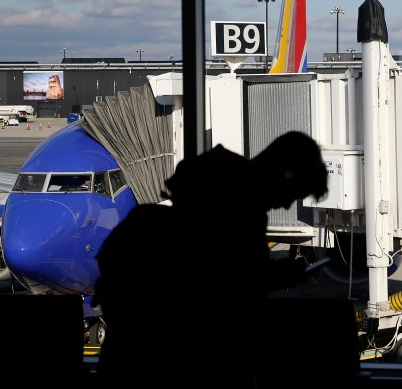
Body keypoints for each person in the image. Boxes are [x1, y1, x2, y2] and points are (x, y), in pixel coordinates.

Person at [93, 131, 328, 384]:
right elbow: (218, 290)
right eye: (293, 193)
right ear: (284, 175)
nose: (286, 205)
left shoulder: (153, 229)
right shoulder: (240, 210)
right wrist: (273, 276)